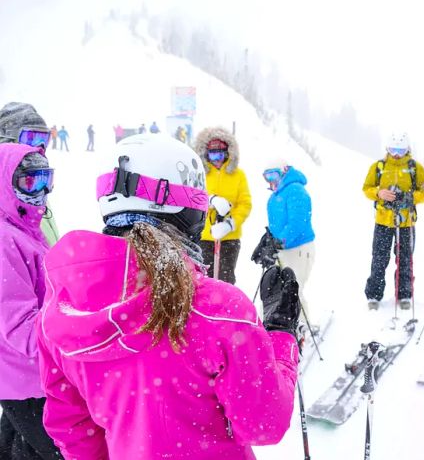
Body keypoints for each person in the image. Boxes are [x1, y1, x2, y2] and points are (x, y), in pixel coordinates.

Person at [36, 134, 300, 459]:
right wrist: (280, 336)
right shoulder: (217, 310)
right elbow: (264, 424)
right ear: (188, 211)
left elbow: (73, 429)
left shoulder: (62, 309)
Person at [0, 143, 62, 459]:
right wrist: (72, 334)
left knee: (17, 449)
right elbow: (19, 327)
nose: (40, 191)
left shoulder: (24, 229)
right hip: (26, 380)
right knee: (59, 450)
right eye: (29, 182)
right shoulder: (5, 240)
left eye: (44, 180)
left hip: (23, 378)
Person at [363, 131, 424, 310]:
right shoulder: (379, 166)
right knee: (379, 257)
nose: (396, 154)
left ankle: (404, 294)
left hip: (406, 222)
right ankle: (374, 295)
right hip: (383, 221)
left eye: (400, 151)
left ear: (407, 149)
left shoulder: (415, 168)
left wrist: (409, 197)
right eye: (393, 150)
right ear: (387, 148)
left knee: (405, 259)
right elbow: (366, 188)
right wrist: (379, 193)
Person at [252, 158, 316, 325]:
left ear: (285, 171)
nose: (271, 181)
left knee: (294, 289)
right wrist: (268, 240)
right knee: (277, 290)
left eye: (273, 175)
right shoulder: (275, 196)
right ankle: (280, 325)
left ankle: (301, 326)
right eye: (267, 177)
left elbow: (298, 222)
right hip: (283, 250)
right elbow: (276, 225)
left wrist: (280, 241)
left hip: (299, 249)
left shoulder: (296, 190)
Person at [194, 127, 252, 285]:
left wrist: (230, 224)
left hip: (229, 238)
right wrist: (211, 199)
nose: (216, 159)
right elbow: (193, 195)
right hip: (204, 236)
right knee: (205, 279)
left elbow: (245, 204)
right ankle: (206, 309)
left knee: (226, 278)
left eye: (220, 154)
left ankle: (225, 309)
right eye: (212, 154)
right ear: (206, 154)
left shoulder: (238, 175)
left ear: (227, 153)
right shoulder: (201, 174)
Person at [0, 102, 60, 245]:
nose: (40, 146)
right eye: (31, 137)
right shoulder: (8, 196)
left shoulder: (31, 189)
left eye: (44, 139)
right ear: (7, 140)